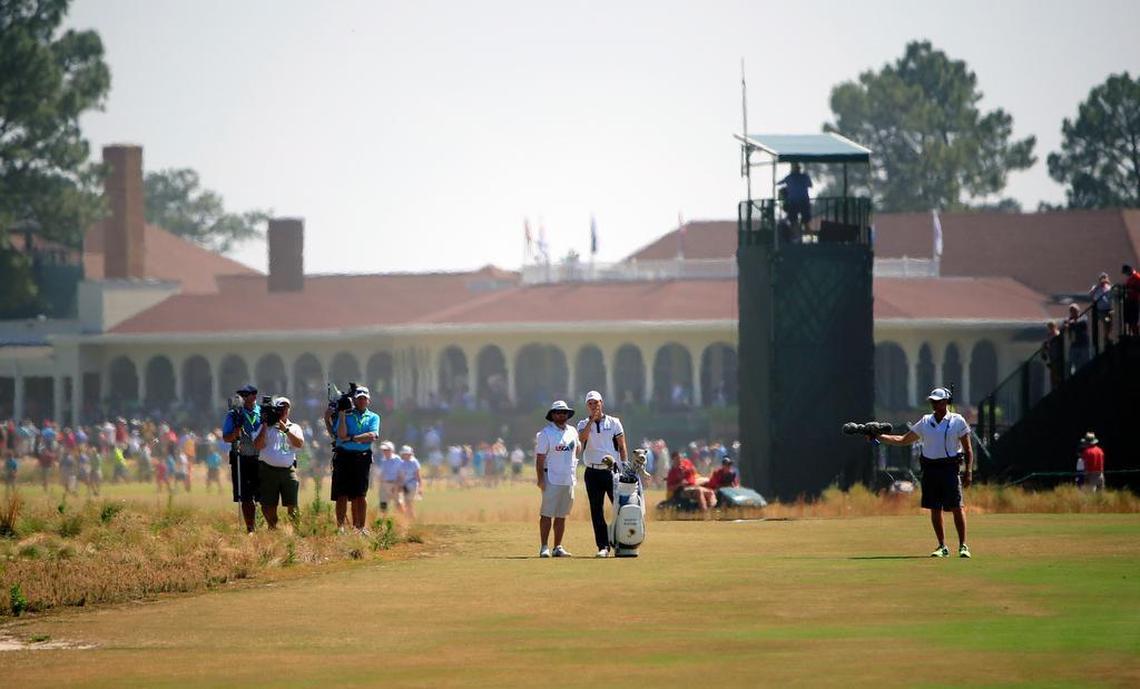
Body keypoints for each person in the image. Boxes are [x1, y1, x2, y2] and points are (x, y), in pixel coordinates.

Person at [877, 387, 974, 558]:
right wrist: (879, 436)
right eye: (932, 401)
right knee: (935, 508)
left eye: (938, 401)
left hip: (950, 469)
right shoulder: (925, 421)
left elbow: (968, 449)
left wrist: (968, 472)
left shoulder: (958, 420)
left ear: (946, 402)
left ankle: (963, 546)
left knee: (957, 507)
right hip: (930, 469)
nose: (934, 404)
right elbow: (903, 440)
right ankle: (942, 546)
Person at [576, 390, 627, 558]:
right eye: (590, 404)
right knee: (596, 510)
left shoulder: (614, 422)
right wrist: (591, 421)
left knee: (619, 508)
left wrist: (624, 465)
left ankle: (623, 542)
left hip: (611, 471)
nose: (593, 406)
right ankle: (603, 546)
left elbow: (621, 445)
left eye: (596, 403)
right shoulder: (583, 423)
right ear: (587, 406)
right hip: (592, 472)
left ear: (601, 402)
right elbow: (582, 439)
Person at [331, 386, 380, 533]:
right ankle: (340, 527)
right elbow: (341, 434)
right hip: (344, 457)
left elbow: (372, 435)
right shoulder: (346, 415)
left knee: (360, 494)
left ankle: (360, 527)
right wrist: (341, 415)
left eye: (364, 398)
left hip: (362, 458)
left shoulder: (373, 417)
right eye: (359, 398)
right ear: (354, 400)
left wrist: (352, 438)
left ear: (368, 400)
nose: (362, 401)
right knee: (342, 493)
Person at [535, 400, 579, 558]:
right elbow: (540, 459)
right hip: (551, 478)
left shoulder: (573, 431)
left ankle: (557, 547)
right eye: (558, 412)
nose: (562, 415)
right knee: (547, 514)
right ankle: (544, 546)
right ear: (552, 415)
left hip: (568, 478)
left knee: (561, 515)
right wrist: (541, 479)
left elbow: (577, 449)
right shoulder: (545, 434)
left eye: (564, 412)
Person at [254, 397, 304, 529]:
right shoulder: (266, 427)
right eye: (281, 408)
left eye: (286, 408)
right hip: (268, 470)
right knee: (268, 503)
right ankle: (272, 527)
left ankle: (296, 529)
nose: (284, 411)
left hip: (288, 469)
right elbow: (258, 446)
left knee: (292, 502)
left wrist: (285, 430)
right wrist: (265, 425)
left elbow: (299, 444)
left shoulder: (294, 427)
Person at [222, 384, 263, 533]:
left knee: (263, 495)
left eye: (247, 395)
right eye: (242, 395)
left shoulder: (262, 412)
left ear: (254, 396)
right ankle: (250, 528)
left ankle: (264, 524)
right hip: (241, 457)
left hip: (260, 457)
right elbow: (226, 437)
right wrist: (237, 429)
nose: (244, 398)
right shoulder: (233, 414)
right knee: (245, 496)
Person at [778, 162, 813, 227]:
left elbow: (779, 183)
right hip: (804, 201)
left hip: (793, 202)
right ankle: (808, 235)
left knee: (793, 221)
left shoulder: (789, 177)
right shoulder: (804, 176)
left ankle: (795, 234)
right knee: (806, 222)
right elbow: (810, 185)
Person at [376, 441, 403, 514]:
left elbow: (401, 473)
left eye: (386, 450)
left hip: (394, 484)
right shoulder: (383, 460)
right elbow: (381, 473)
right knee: (383, 502)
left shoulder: (397, 459)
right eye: (383, 450)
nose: (384, 452)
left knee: (398, 503)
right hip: (384, 484)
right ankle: (383, 519)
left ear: (391, 450)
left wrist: (399, 485)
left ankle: (403, 518)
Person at [398, 445, 423, 521]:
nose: (406, 455)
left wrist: (420, 487)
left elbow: (418, 475)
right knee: (407, 502)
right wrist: (400, 485)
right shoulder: (402, 462)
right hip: (405, 485)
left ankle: (411, 518)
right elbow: (401, 476)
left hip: (412, 484)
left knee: (408, 502)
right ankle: (411, 518)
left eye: (408, 454)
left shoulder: (414, 462)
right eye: (405, 454)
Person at [1063, 304, 1090, 372]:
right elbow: (1065, 328)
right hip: (1074, 345)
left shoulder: (1083, 317)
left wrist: (1070, 323)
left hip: (1083, 345)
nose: (1073, 312)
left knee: (1084, 363)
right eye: (1071, 311)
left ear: (1078, 311)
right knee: (1071, 362)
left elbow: (1081, 323)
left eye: (1074, 311)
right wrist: (1067, 325)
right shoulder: (1069, 320)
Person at [1089, 272, 1114, 345]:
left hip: (1109, 309)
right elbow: (1091, 294)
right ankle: (1106, 338)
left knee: (1110, 323)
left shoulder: (1109, 287)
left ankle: (1107, 337)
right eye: (1102, 278)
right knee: (1106, 322)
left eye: (1105, 278)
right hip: (1101, 310)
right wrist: (1098, 286)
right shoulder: (1096, 287)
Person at [1123, 264, 1140, 337]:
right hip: (1130, 300)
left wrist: (1131, 290)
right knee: (1130, 319)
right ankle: (1131, 334)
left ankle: (1136, 335)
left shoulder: (1137, 277)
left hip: (1136, 300)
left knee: (1134, 319)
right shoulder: (1130, 278)